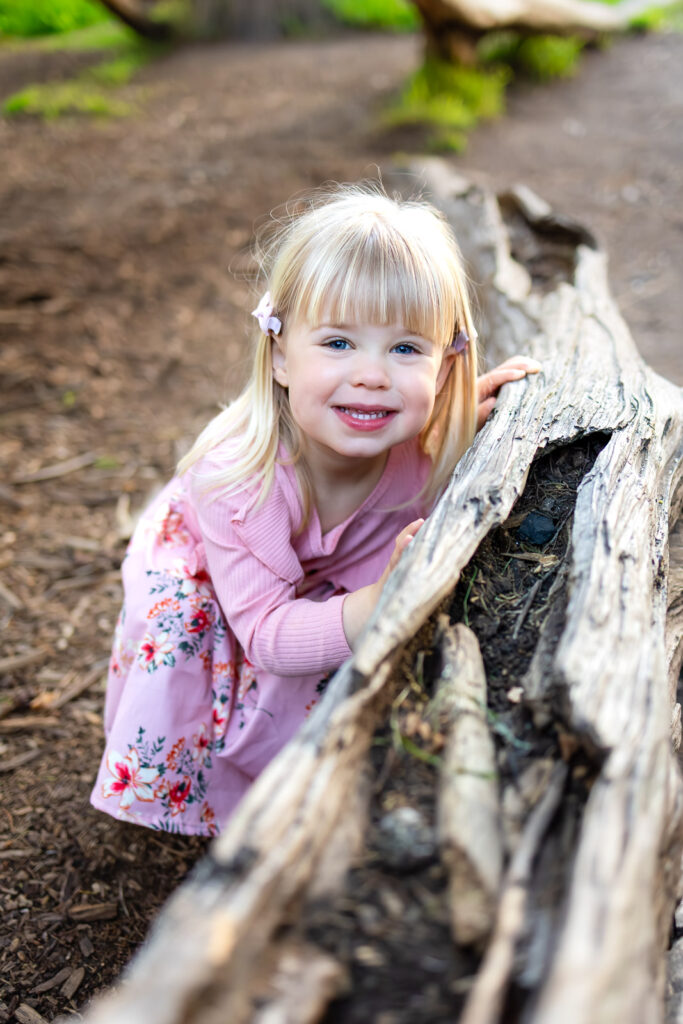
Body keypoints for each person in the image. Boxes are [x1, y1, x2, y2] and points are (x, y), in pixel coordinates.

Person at [90, 183, 539, 835]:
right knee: (191, 634)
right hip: (224, 577)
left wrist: (469, 415)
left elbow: (438, 418)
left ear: (444, 369)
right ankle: (224, 805)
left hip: (316, 575)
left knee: (337, 650)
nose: (371, 375)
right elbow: (268, 636)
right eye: (337, 343)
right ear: (278, 355)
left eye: (406, 349)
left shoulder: (425, 448)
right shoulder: (236, 481)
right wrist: (375, 601)